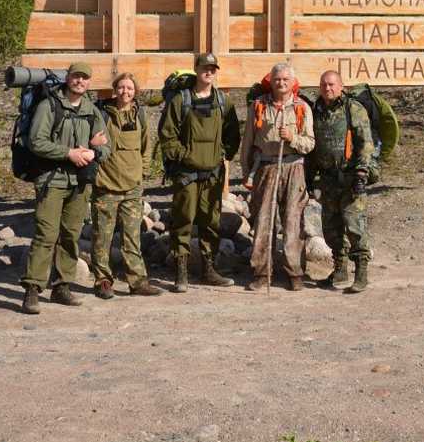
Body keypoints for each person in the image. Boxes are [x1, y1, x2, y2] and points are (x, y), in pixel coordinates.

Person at [20, 62, 110, 315]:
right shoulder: (49, 106)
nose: (80, 81)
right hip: (52, 179)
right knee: (46, 234)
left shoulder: (92, 111)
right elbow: (36, 142)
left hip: (79, 182)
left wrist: (93, 151)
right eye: (76, 77)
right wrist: (68, 153)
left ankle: (62, 286)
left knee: (70, 234)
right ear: (68, 78)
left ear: (89, 82)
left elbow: (106, 146)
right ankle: (33, 289)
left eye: (84, 78)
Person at [158, 53, 241, 293]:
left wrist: (222, 154)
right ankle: (181, 272)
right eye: (205, 68)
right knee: (182, 221)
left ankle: (209, 270)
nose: (209, 72)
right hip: (186, 175)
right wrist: (183, 156)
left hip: (213, 174)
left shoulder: (224, 102)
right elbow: (167, 134)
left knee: (211, 223)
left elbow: (232, 134)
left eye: (213, 68)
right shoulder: (180, 101)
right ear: (196, 69)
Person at [240, 62, 314, 291]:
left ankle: (294, 272)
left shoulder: (302, 108)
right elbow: (248, 143)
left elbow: (310, 143)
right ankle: (262, 272)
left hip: (294, 168)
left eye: (285, 79)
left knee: (293, 221)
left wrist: (292, 138)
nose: (281, 83)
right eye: (277, 79)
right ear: (270, 81)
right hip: (267, 168)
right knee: (264, 220)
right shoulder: (259, 106)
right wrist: (246, 173)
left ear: (292, 83)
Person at [89, 72, 161, 299]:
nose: (125, 92)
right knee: (102, 238)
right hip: (105, 186)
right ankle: (102, 281)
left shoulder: (139, 114)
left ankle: (138, 282)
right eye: (121, 87)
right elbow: (90, 143)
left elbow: (146, 147)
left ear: (135, 91)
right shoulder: (100, 113)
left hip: (132, 187)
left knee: (132, 238)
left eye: (129, 88)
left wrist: (143, 173)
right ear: (115, 89)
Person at [308, 70, 374, 293]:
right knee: (331, 228)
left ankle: (362, 273)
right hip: (327, 180)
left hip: (351, 178)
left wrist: (362, 173)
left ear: (341, 86)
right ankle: (340, 269)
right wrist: (311, 178)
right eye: (324, 84)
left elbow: (365, 142)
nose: (328, 88)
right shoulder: (316, 110)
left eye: (332, 84)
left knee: (354, 225)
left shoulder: (353, 109)